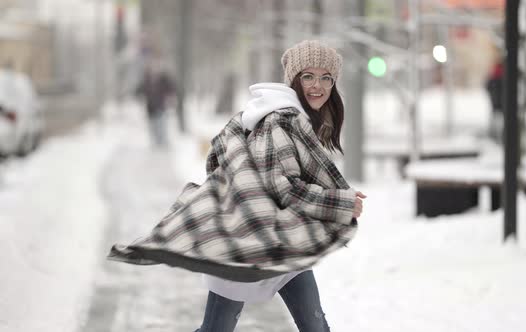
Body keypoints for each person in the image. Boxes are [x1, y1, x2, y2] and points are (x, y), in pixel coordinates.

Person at [109, 40, 366, 332]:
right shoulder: (283, 120)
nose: (317, 85)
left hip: (281, 245)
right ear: (293, 79)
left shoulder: (281, 117)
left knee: (315, 327)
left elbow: (220, 160)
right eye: (308, 76)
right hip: (248, 245)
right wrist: (339, 203)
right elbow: (283, 187)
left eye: (326, 77)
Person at [136, 60, 176, 148]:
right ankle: (155, 141)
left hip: (161, 106)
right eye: (152, 68)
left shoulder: (164, 79)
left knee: (161, 124)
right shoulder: (146, 79)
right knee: (152, 125)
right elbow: (139, 90)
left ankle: (162, 141)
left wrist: (171, 97)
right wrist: (139, 96)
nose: (154, 70)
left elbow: (171, 88)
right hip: (150, 107)